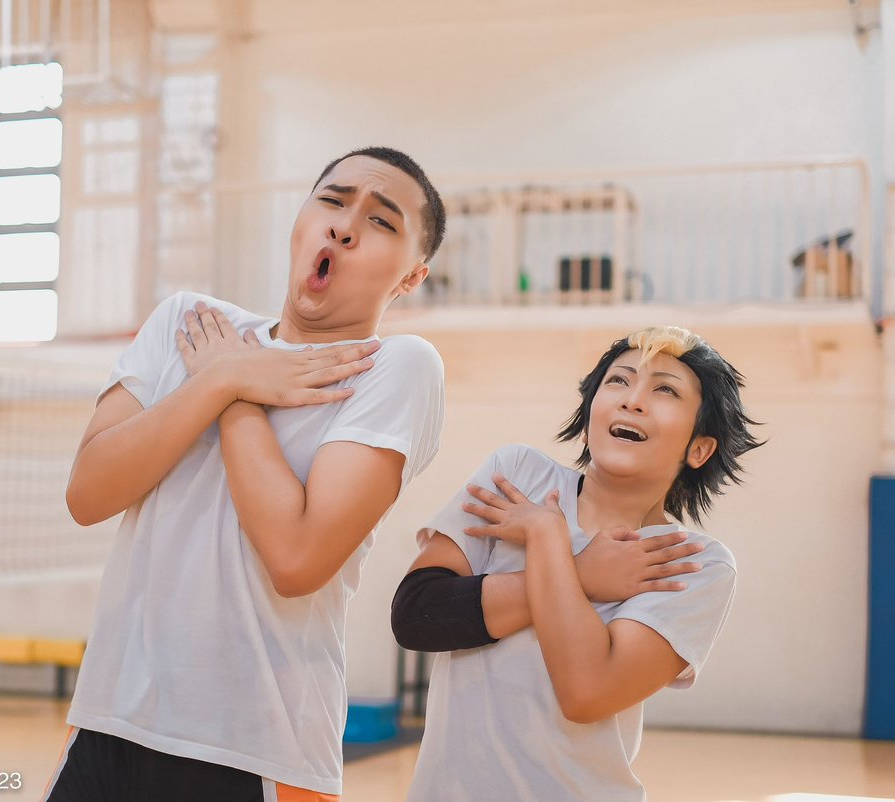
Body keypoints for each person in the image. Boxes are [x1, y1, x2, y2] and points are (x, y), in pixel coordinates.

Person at [45, 146, 447, 802]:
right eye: (333, 199)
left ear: (411, 277)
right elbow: (88, 493)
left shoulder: (396, 366)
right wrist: (228, 375)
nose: (344, 225)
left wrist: (232, 389)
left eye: (381, 222)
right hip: (109, 727)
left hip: (260, 753)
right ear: (300, 219)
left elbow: (295, 558)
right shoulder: (190, 324)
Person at [392, 325, 762, 801]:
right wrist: (583, 574)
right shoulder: (518, 474)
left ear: (699, 447)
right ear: (590, 414)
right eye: (618, 381)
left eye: (665, 389)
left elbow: (586, 692)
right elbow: (417, 616)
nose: (633, 400)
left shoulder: (693, 563)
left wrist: (547, 538)